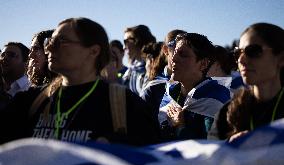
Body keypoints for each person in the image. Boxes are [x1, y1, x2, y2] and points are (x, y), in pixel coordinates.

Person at [0, 17, 160, 146]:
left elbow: (151, 159)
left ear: (93, 51)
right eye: (49, 42)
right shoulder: (30, 101)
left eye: (60, 41)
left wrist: (115, 146)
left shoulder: (124, 104)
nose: (49, 48)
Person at [208, 23, 284, 141]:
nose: (241, 60)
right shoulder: (228, 112)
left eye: (253, 51)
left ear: (281, 58)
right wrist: (228, 148)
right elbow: (211, 155)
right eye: (238, 53)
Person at [159, 33, 231, 141]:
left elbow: (211, 150)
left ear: (203, 64)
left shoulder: (216, 100)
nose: (173, 59)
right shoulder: (170, 93)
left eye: (183, 55)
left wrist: (181, 127)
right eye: (174, 53)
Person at [122, 24, 156, 95]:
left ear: (138, 41)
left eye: (126, 41)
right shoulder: (130, 71)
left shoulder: (155, 67)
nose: (124, 47)